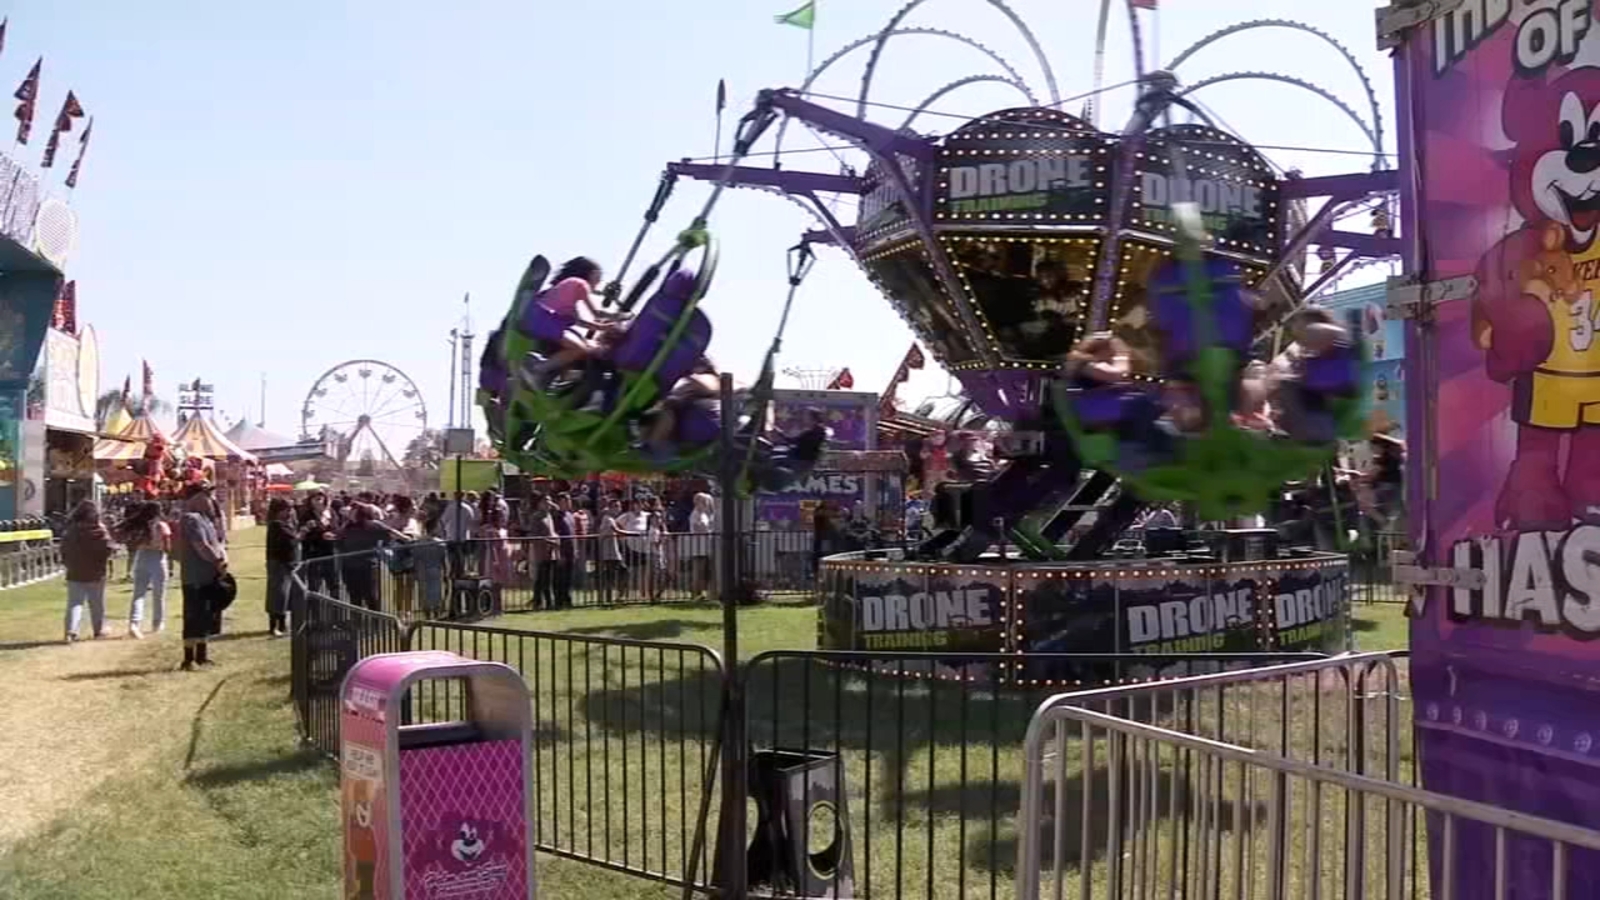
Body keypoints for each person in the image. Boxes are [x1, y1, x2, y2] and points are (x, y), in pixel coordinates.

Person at [521, 256, 625, 379]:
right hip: (544, 321)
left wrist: (603, 327)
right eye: (599, 277)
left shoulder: (566, 288)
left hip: (541, 319)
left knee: (581, 346)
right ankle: (537, 369)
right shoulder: (580, 284)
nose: (600, 282)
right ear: (592, 274)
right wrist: (621, 316)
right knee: (578, 349)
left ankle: (549, 373)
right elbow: (596, 314)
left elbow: (578, 321)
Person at [178, 486, 229, 670]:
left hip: (208, 576)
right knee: (193, 617)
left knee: (206, 617)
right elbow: (201, 546)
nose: (210, 499)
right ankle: (188, 659)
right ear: (196, 497)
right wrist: (218, 562)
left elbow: (218, 541)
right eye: (207, 496)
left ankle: (202, 656)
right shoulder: (190, 519)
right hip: (195, 577)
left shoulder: (206, 519)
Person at [338, 502, 412, 610]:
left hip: (367, 565)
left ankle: (376, 622)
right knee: (354, 596)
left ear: (360, 512)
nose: (349, 512)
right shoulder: (347, 526)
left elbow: (390, 531)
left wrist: (405, 538)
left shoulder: (373, 525)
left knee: (370, 596)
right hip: (349, 566)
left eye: (353, 510)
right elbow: (339, 537)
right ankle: (358, 622)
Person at [60, 500, 115, 643]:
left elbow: (64, 549)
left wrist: (67, 563)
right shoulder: (99, 529)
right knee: (97, 603)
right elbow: (107, 548)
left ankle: (70, 631)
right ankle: (98, 630)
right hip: (96, 571)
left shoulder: (71, 530)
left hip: (75, 570)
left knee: (74, 603)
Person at [118, 500, 172, 638]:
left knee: (139, 593)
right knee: (159, 594)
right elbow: (167, 547)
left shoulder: (140, 525)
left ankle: (134, 623)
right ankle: (157, 623)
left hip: (141, 557)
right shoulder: (161, 526)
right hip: (158, 558)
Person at [265, 497, 300, 636]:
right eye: (287, 509)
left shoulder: (286, 523)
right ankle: (274, 626)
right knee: (277, 594)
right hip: (279, 563)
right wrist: (303, 531)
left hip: (286, 562)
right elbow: (292, 540)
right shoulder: (277, 525)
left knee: (285, 595)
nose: (290, 512)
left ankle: (282, 624)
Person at [298, 492, 339, 596]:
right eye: (316, 499)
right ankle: (314, 608)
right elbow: (303, 534)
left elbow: (337, 528)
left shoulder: (330, 513)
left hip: (329, 551)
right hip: (313, 552)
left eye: (320, 499)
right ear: (311, 501)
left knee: (333, 581)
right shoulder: (306, 514)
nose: (319, 501)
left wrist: (333, 534)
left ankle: (335, 607)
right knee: (314, 583)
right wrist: (320, 535)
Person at [687, 492, 715, 600]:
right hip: (698, 547)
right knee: (698, 571)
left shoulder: (703, 514)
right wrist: (709, 530)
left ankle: (700, 593)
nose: (706, 504)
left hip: (705, 546)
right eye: (704, 502)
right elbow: (699, 529)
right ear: (697, 502)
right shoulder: (695, 514)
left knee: (703, 571)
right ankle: (695, 594)